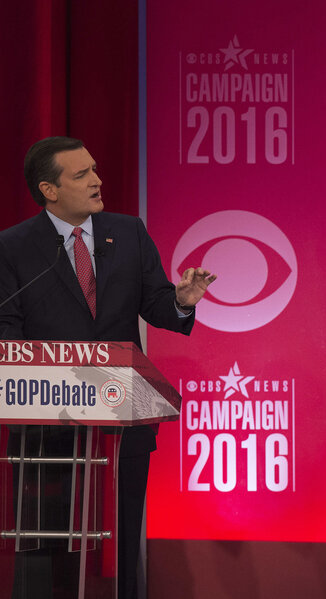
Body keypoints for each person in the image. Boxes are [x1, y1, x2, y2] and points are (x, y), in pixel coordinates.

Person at [0, 136, 216, 599]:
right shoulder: (14, 246)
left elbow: (156, 304)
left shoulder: (129, 232)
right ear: (49, 189)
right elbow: (7, 329)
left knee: (124, 533)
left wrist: (179, 301)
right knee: (45, 543)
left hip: (124, 418)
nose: (98, 180)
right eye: (81, 175)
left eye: (95, 169)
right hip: (47, 423)